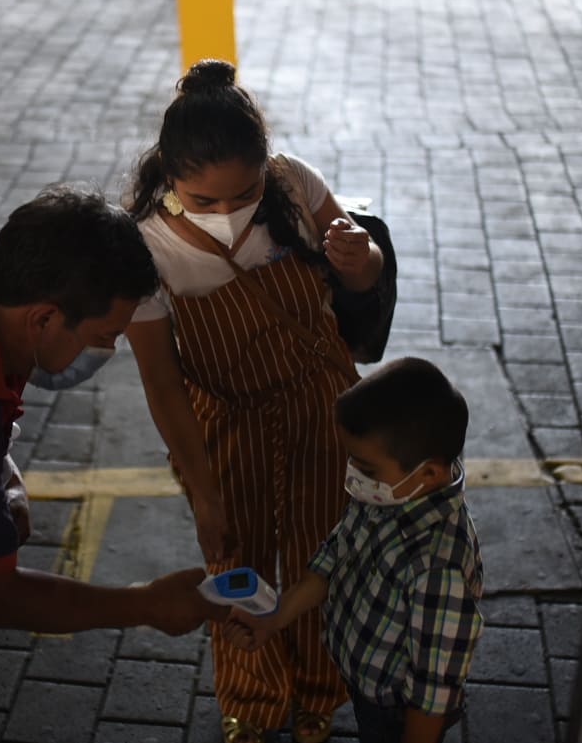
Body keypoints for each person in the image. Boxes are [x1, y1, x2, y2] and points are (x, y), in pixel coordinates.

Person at [0, 185, 220, 743]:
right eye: (105, 336)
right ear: (44, 319)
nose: (109, 350)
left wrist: (2, 473)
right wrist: (145, 605)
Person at [123, 59, 385, 743]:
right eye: (202, 201)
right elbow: (162, 381)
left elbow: (363, 270)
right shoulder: (143, 243)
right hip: (221, 420)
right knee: (236, 561)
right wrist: (204, 493)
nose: (226, 213)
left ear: (267, 167)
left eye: (242, 193)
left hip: (319, 404)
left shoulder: (294, 185)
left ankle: (318, 693)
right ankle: (252, 700)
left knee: (318, 553)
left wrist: (361, 259)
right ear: (169, 175)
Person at [223, 357, 485, 743]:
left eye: (366, 468)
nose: (353, 474)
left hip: (397, 713)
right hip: (364, 687)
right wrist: (275, 617)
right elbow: (334, 556)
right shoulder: (391, 495)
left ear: (429, 473)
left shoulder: (437, 569)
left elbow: (433, 694)